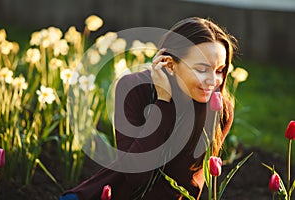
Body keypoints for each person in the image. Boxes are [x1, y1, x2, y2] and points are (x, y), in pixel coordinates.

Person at [60, 16, 237, 200]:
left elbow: (186, 184)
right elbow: (136, 175)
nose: (213, 81)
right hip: (110, 194)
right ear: (170, 64)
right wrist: (163, 102)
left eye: (219, 70)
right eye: (201, 69)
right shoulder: (132, 89)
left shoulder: (219, 110)